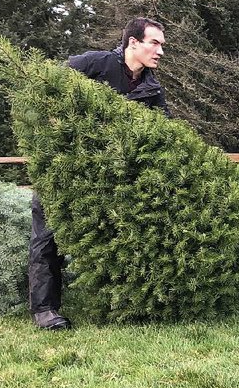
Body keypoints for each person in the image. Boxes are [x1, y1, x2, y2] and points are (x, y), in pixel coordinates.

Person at [30, 17, 170, 330]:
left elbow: (163, 132)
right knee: (48, 237)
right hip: (64, 163)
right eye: (155, 43)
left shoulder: (152, 89)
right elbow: (45, 84)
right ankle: (45, 310)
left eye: (162, 45)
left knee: (117, 234)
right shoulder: (94, 64)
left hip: (111, 177)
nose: (160, 51)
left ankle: (120, 304)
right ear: (133, 43)